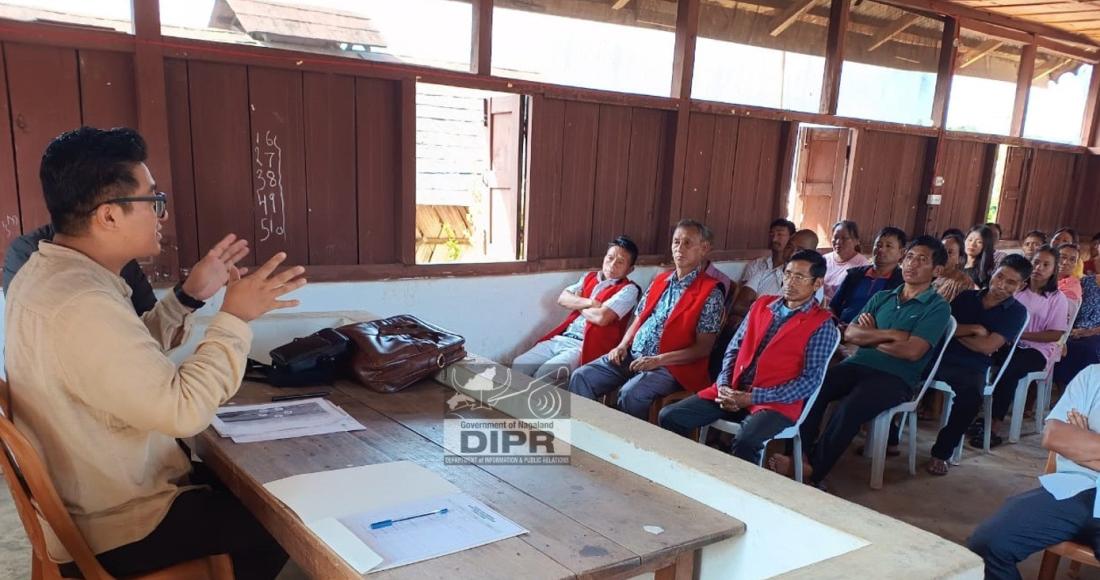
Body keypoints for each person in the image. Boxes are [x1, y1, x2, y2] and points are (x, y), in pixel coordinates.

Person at [5, 127, 303, 579]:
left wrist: (188, 296)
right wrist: (236, 319)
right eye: (153, 199)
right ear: (108, 216)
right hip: (119, 524)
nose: (161, 213)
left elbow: (119, 355)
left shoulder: (49, 274)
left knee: (254, 487)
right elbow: (182, 412)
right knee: (289, 521)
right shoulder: (82, 303)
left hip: (93, 496)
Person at [768, 236, 951, 488]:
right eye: (909, 257)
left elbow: (912, 352)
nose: (912, 264)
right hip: (858, 364)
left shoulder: (937, 307)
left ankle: (814, 470)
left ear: (937, 270)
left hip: (896, 378)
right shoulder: (884, 297)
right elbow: (851, 333)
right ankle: (798, 455)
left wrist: (871, 337)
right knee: (812, 387)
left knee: (851, 406)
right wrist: (891, 335)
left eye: (921, 260)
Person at [658, 250, 839, 464]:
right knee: (670, 416)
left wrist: (752, 398)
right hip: (733, 389)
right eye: (787, 274)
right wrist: (725, 385)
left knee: (747, 440)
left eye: (799, 277)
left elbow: (808, 383)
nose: (790, 281)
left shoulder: (822, 324)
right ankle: (686, 470)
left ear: (817, 284)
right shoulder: (762, 305)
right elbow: (733, 349)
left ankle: (742, 495)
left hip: (774, 402)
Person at [569, 219, 724, 419]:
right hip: (633, 355)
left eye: (687, 243)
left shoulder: (710, 292)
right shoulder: (661, 280)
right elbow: (639, 317)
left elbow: (703, 348)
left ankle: (627, 447)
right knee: (582, 376)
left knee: (631, 394)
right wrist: (622, 345)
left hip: (671, 366)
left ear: (704, 249)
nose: (679, 249)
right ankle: (587, 438)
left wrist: (658, 360)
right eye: (676, 242)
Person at [968, 365, 1100, 580]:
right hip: (1072, 487)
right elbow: (1055, 437)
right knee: (988, 544)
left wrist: (1084, 444)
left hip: (1080, 475)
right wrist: (1073, 441)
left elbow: (1070, 442)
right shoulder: (1093, 375)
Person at [924, 256, 1030, 476]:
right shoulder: (966, 297)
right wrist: (974, 328)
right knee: (902, 372)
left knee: (971, 398)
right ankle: (891, 437)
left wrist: (956, 332)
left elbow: (987, 346)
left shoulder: (1016, 312)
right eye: (1000, 276)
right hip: (941, 355)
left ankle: (942, 452)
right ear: (992, 272)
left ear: (1021, 286)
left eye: (1011, 282)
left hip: (974, 365)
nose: (1001, 284)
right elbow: (942, 325)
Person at [513, 236, 640, 385]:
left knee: (545, 373)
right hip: (563, 337)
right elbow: (562, 298)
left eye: (620, 262)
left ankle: (538, 407)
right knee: (519, 364)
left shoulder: (629, 290)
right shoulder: (589, 277)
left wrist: (577, 304)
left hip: (584, 345)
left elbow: (601, 318)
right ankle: (516, 406)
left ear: (630, 269)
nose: (612, 265)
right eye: (610, 258)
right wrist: (590, 302)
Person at [980, 246, 1069, 448]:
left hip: (1037, 350)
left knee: (1010, 368)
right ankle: (978, 414)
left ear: (1054, 270)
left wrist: (1019, 334)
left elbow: (1055, 334)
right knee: (984, 357)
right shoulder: (1018, 288)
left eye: (1046, 264)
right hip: (1008, 342)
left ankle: (994, 424)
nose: (1039, 267)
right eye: (1036, 262)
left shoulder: (1057, 298)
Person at [3, 223, 157, 315]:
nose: (162, 216)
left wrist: (181, 298)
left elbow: (148, 314)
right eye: (152, 203)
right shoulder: (28, 251)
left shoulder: (116, 248)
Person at [829, 226, 906, 324]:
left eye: (888, 246)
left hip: (873, 335)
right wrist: (836, 324)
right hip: (840, 328)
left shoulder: (902, 282)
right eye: (878, 245)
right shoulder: (854, 275)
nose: (881, 249)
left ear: (902, 253)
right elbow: (832, 306)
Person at [1055, 261, 1100, 387]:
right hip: (1074, 331)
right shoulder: (1087, 282)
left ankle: (1083, 394)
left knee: (1086, 350)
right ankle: (1064, 392)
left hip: (1096, 335)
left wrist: (1089, 332)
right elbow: (1072, 308)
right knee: (1061, 346)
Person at [746, 228, 819, 298]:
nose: (792, 254)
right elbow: (739, 306)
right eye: (789, 247)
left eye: (800, 250)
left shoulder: (814, 285)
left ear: (813, 254)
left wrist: (757, 306)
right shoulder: (763, 274)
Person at [822, 220, 870, 303]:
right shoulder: (824, 260)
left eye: (844, 238)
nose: (838, 242)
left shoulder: (863, 265)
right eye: (835, 237)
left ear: (856, 241)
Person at [740, 218, 795, 287]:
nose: (774, 239)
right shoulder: (756, 264)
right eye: (771, 234)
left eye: (780, 234)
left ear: (791, 238)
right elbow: (743, 292)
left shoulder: (794, 270)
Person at [933, 231, 977, 304]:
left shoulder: (964, 283)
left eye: (950, 252)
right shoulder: (928, 273)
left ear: (959, 259)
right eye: (942, 250)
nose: (944, 255)